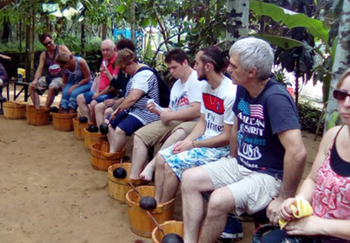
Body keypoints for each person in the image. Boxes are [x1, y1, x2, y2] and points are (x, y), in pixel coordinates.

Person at [181, 37, 307, 243]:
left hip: (268, 175)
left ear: (252, 72)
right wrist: (233, 157)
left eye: (233, 65)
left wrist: (284, 198)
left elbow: (297, 152)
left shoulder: (276, 99)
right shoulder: (242, 88)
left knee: (218, 200)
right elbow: (238, 123)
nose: (228, 68)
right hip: (241, 164)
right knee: (189, 179)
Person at [260, 68, 350, 243]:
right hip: (311, 228)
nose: (346, 103)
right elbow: (313, 179)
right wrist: (299, 201)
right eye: (341, 94)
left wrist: (320, 225)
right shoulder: (333, 135)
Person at [153, 46, 236, 204]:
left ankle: (162, 209)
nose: (195, 67)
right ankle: (157, 202)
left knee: (171, 164)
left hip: (220, 148)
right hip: (204, 141)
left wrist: (193, 144)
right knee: (161, 157)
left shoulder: (230, 93)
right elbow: (203, 123)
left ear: (208, 66)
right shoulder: (205, 87)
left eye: (197, 63)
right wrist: (187, 142)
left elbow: (227, 137)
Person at [128, 48, 202, 181]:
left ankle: (152, 165)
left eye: (174, 67)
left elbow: (196, 110)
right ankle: (133, 178)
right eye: (170, 68)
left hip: (194, 122)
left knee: (179, 133)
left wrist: (170, 115)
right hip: (176, 120)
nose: (172, 71)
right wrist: (158, 110)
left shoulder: (196, 80)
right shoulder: (177, 84)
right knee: (140, 135)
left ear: (185, 63)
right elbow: (172, 109)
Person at [107, 48, 160, 153]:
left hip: (147, 112)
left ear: (131, 63)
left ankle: (112, 155)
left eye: (123, 68)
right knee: (108, 122)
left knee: (120, 129)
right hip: (134, 110)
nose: (123, 72)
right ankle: (115, 151)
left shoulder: (144, 74)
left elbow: (133, 98)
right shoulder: (135, 73)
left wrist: (117, 110)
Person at [93, 38, 135, 127]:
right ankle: (101, 135)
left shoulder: (133, 71)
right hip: (121, 97)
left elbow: (131, 97)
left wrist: (115, 102)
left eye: (118, 51)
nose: (116, 54)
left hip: (127, 101)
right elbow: (117, 84)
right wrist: (107, 73)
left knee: (107, 111)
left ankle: (106, 134)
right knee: (97, 107)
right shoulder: (122, 67)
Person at [77, 39, 118, 122]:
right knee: (79, 98)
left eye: (107, 50)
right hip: (100, 91)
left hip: (111, 93)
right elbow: (100, 77)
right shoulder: (104, 59)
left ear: (114, 49)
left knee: (93, 104)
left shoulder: (117, 62)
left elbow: (114, 86)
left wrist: (98, 94)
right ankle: (89, 123)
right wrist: (96, 91)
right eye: (103, 50)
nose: (105, 52)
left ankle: (96, 128)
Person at [29, 33, 71, 109]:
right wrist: (35, 80)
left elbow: (72, 60)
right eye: (45, 44)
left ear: (52, 40)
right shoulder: (44, 55)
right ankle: (37, 109)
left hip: (61, 77)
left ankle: (46, 109)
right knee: (31, 86)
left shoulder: (62, 48)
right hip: (49, 77)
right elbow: (39, 69)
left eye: (49, 42)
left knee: (52, 87)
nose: (48, 45)